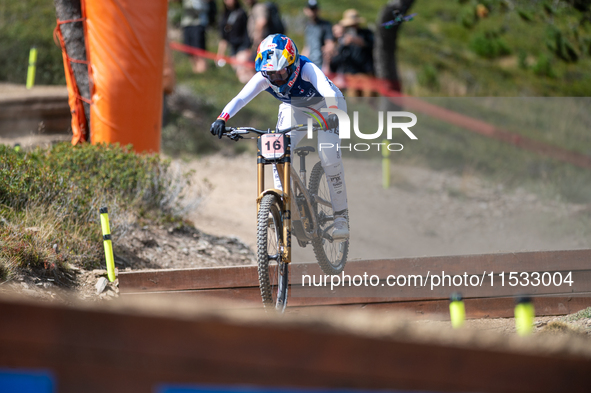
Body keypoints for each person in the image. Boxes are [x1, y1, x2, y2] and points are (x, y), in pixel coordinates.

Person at [210, 34, 350, 239]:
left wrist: (333, 113)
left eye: (280, 73)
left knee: (329, 157)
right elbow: (241, 97)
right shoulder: (265, 77)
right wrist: (222, 118)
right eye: (270, 74)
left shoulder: (307, 68)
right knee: (277, 152)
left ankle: (340, 216)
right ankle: (286, 205)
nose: (275, 78)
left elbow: (328, 91)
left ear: (292, 65)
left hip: (326, 105)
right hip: (295, 108)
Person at [329, 9, 375, 96]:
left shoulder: (366, 33)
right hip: (351, 74)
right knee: (354, 99)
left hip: (366, 72)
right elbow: (339, 57)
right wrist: (343, 45)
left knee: (369, 98)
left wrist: (358, 41)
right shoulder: (344, 38)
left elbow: (372, 46)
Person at [217, 0, 255, 83]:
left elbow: (247, 32)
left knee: (244, 70)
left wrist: (248, 48)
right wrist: (220, 54)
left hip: (243, 46)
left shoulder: (241, 13)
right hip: (233, 48)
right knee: (240, 75)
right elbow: (223, 38)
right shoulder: (224, 15)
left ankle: (258, 90)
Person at [302, 0, 334, 72]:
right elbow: (307, 46)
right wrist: (301, 62)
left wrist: (326, 65)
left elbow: (329, 45)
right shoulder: (308, 26)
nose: (313, 11)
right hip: (310, 63)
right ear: (306, 10)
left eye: (314, 9)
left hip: (321, 64)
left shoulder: (325, 25)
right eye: (311, 9)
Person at [180, 0, 212, 73]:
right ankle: (196, 74)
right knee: (189, 52)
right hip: (187, 23)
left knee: (199, 52)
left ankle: (203, 75)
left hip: (198, 23)